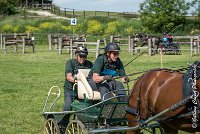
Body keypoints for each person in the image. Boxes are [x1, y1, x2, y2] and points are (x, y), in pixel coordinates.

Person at [63, 46, 93, 111]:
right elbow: (68, 77)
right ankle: (62, 121)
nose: (82, 58)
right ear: (76, 55)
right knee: (68, 106)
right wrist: (77, 81)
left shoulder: (89, 64)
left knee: (90, 105)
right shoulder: (71, 63)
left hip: (83, 90)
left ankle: (83, 119)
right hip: (71, 90)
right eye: (80, 56)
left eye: (84, 56)